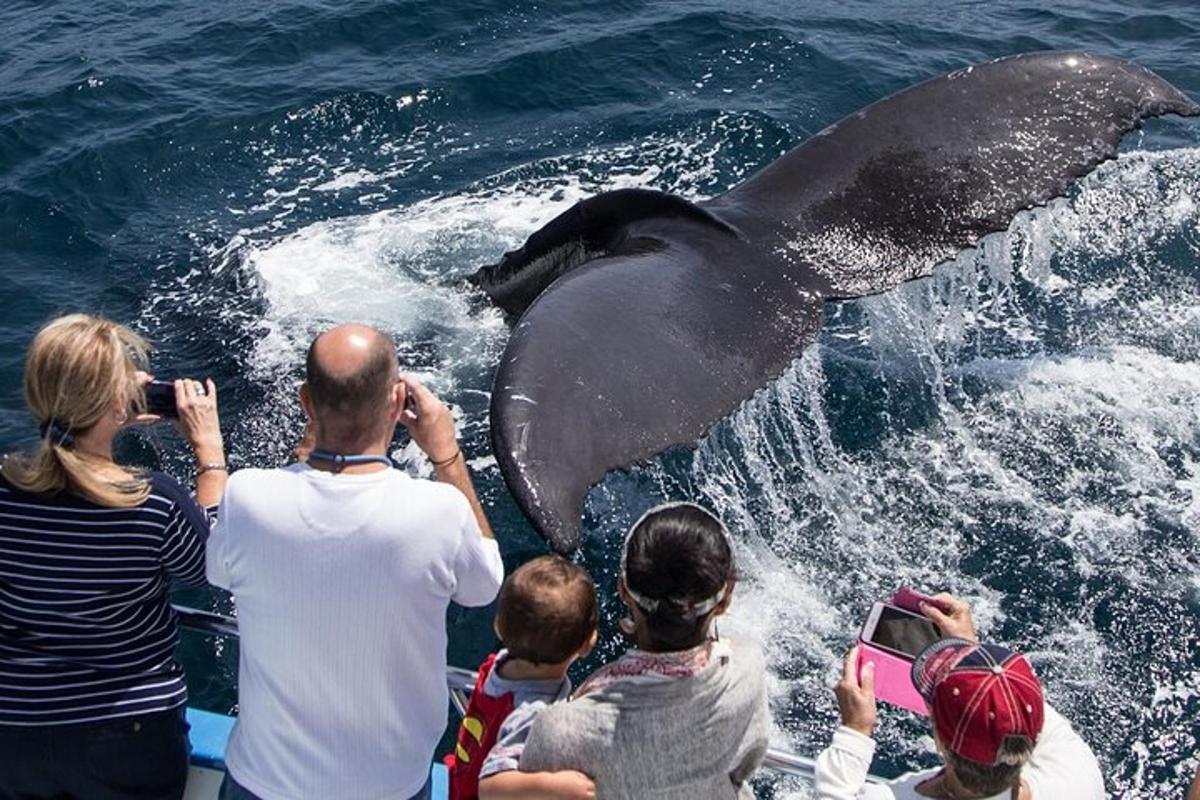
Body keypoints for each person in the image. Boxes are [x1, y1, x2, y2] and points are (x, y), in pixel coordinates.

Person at [207, 323, 504, 800]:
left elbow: (217, 571)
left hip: (262, 782)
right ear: (397, 402)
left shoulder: (247, 495)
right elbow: (485, 584)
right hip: (390, 787)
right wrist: (446, 456)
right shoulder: (438, 511)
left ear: (305, 402)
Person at [0, 313, 225, 800]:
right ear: (118, 403)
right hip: (127, 737)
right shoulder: (151, 502)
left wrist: (111, 409)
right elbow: (213, 566)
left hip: (16, 732)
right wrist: (210, 454)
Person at [519, 502, 770, 799]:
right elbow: (746, 762)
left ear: (623, 590)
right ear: (725, 599)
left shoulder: (560, 730)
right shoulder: (748, 669)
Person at [816, 594, 1105, 800]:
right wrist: (969, 652)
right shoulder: (1080, 776)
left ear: (940, 743)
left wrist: (855, 730)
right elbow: (1018, 709)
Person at [443, 555, 597, 800]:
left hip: (459, 781)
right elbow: (491, 787)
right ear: (588, 643)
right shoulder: (533, 714)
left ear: (498, 627)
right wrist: (558, 786)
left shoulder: (500, 663)